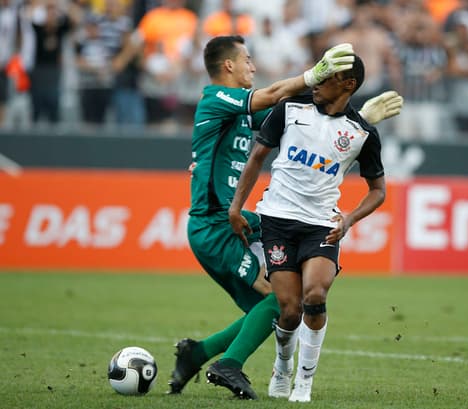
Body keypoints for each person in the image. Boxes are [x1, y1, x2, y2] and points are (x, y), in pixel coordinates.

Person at [166, 36, 402, 400]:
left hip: (246, 217)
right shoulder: (215, 98)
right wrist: (313, 74)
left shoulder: (247, 111)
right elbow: (276, 95)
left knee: (278, 305)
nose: (253, 66)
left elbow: (304, 116)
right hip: (216, 224)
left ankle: (197, 353)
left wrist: (358, 120)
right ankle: (227, 364)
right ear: (228, 65)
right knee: (281, 301)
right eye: (247, 60)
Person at [228, 54, 390, 403]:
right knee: (289, 309)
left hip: (321, 226)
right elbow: (257, 157)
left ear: (348, 85)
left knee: (315, 295)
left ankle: (305, 380)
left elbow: (378, 191)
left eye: (327, 77)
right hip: (277, 220)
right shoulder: (289, 110)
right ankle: (283, 367)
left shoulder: (362, 132)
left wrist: (348, 219)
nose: (317, 82)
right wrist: (236, 205)